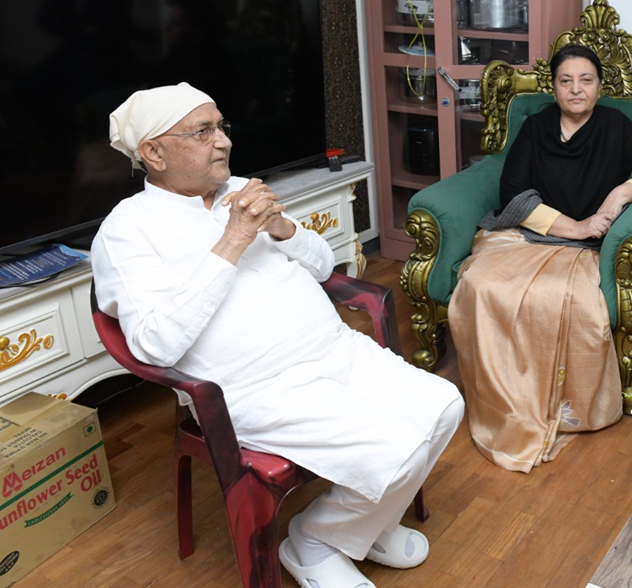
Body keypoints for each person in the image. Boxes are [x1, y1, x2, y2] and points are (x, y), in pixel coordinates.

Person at [92, 83, 464, 588]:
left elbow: (323, 265)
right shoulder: (127, 231)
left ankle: (357, 529)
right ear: (153, 153)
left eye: (221, 127)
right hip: (257, 390)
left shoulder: (240, 190)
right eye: (202, 132)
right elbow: (153, 346)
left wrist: (282, 229)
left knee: (445, 406)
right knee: (400, 450)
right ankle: (312, 544)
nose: (223, 141)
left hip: (335, 352)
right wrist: (233, 240)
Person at [448, 44, 632, 472]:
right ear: (553, 88)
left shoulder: (615, 125)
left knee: (569, 300)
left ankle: (562, 407)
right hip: (531, 235)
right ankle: (505, 402)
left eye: (586, 80)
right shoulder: (536, 127)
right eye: (565, 81)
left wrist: (615, 198)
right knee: (480, 283)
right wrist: (575, 227)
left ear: (599, 86)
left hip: (587, 249)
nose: (576, 89)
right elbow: (512, 193)